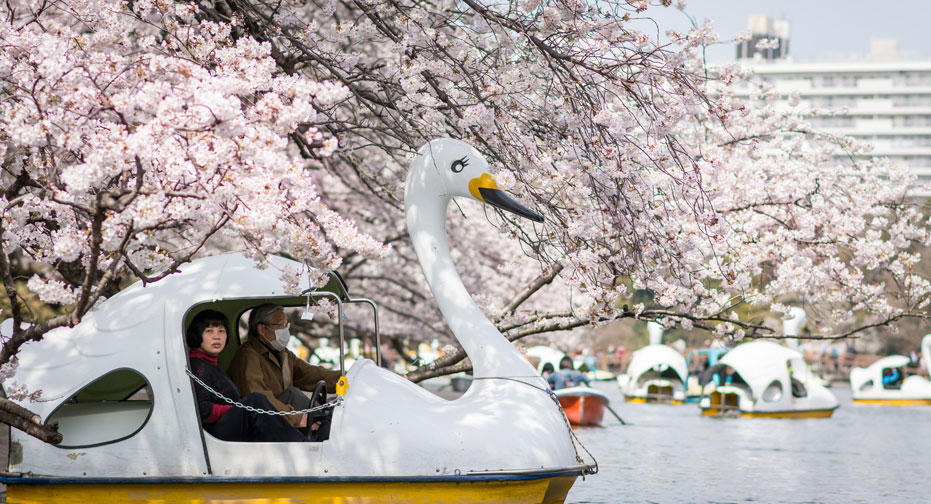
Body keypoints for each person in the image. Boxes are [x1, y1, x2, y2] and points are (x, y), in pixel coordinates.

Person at [186, 310, 306, 442]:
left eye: (221, 331)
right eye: (209, 331)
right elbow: (204, 411)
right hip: (213, 434)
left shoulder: (211, 364)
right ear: (198, 334)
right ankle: (301, 444)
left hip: (226, 427)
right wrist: (242, 408)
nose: (217, 337)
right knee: (255, 400)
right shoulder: (198, 365)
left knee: (290, 395)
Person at [228, 303, 341, 430]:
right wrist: (298, 418)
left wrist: (345, 379)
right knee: (292, 395)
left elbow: (310, 374)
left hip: (281, 419)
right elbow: (258, 399)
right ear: (262, 329)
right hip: (262, 425)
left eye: (286, 325)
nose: (285, 330)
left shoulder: (283, 354)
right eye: (281, 325)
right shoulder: (247, 357)